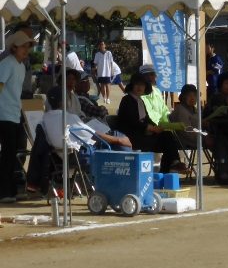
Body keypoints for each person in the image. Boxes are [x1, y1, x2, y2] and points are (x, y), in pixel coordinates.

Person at [26, 85, 132, 194]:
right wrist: (119, 140)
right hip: (78, 156)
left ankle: (127, 178)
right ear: (65, 101)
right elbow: (94, 135)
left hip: (59, 157)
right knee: (117, 137)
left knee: (114, 139)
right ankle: (131, 178)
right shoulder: (69, 118)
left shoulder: (45, 118)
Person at [116, 73, 184, 175]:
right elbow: (133, 122)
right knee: (166, 142)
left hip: (142, 134)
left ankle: (168, 169)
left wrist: (157, 127)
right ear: (132, 86)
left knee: (167, 136)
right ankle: (171, 166)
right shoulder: (127, 100)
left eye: (142, 85)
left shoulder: (140, 101)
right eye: (137, 84)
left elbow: (146, 119)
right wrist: (151, 128)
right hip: (131, 136)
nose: (140, 87)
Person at [0, 30, 33, 203]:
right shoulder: (7, 63)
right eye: (23, 46)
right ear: (14, 47)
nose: (26, 50)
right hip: (4, 114)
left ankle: (13, 190)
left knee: (16, 153)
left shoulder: (21, 66)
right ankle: (4, 192)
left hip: (15, 113)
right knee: (8, 153)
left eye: (28, 46)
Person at [169, 84, 206, 150]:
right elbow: (187, 132)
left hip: (199, 137)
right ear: (184, 97)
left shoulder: (195, 109)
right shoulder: (180, 110)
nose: (193, 98)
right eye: (189, 95)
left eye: (195, 95)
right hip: (187, 141)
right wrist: (205, 137)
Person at [92, 40, 116, 104]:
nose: (101, 45)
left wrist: (112, 71)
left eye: (102, 44)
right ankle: (104, 98)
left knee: (108, 85)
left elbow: (111, 62)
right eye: (100, 44)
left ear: (105, 45)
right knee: (102, 85)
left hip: (107, 72)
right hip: (100, 72)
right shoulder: (97, 54)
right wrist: (94, 71)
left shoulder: (109, 53)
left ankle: (108, 98)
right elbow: (95, 63)